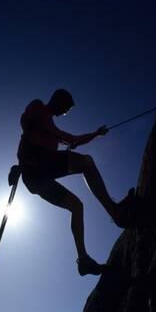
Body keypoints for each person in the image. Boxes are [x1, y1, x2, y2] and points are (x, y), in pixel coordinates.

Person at [17, 88, 135, 276]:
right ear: (58, 101)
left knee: (76, 206)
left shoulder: (50, 128)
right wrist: (23, 163)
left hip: (38, 176)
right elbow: (27, 124)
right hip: (35, 168)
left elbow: (73, 140)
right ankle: (116, 212)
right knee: (86, 162)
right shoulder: (39, 107)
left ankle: (83, 260)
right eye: (65, 109)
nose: (64, 113)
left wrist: (95, 134)